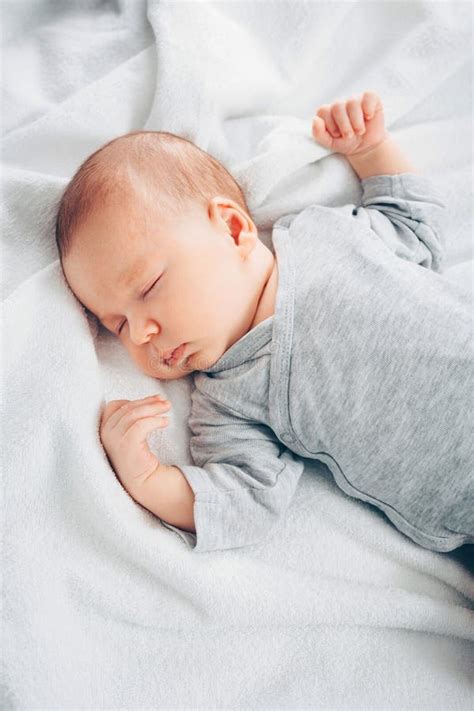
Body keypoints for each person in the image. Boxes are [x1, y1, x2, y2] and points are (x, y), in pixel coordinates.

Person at [57, 91, 473, 553]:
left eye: (149, 286)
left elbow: (414, 228)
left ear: (234, 229)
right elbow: (242, 498)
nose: (139, 335)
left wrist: (371, 150)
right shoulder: (229, 398)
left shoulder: (325, 235)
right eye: (117, 325)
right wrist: (146, 478)